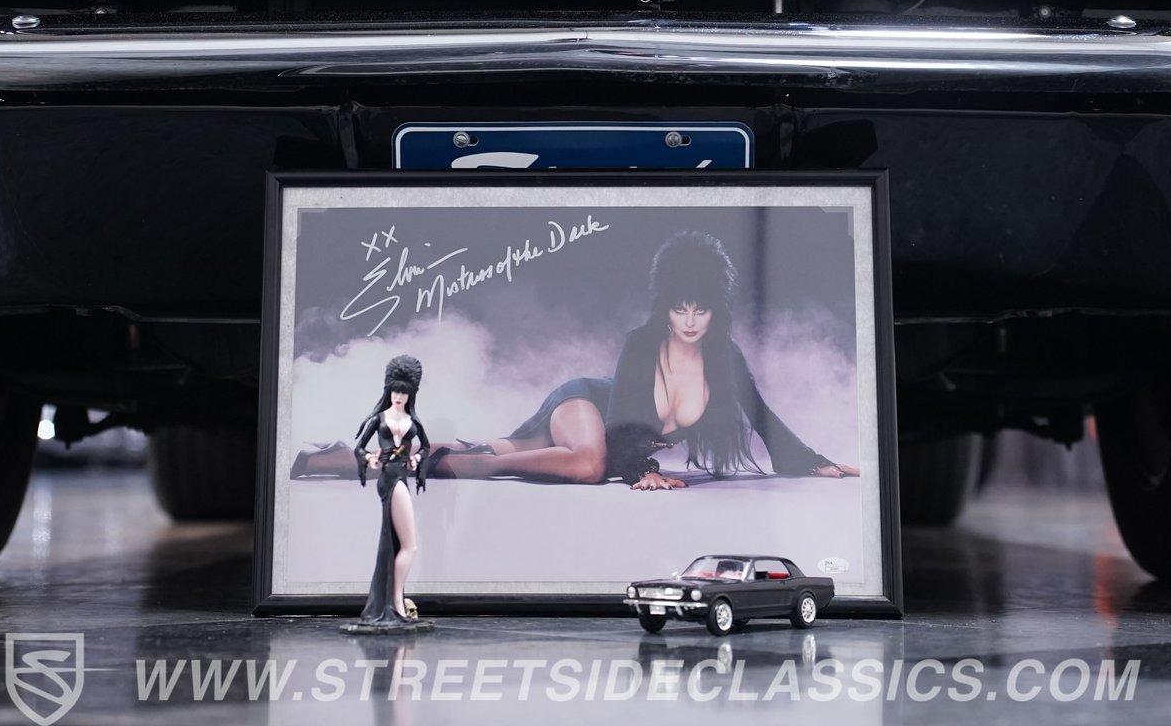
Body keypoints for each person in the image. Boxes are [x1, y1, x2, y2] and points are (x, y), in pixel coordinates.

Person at [293, 231, 858, 490]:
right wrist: (639, 471)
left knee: (500, 446)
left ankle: (342, 459)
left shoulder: (725, 360)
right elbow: (625, 416)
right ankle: (458, 469)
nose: (689, 321)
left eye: (701, 309)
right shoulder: (643, 342)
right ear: (665, 305)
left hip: (599, 435)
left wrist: (812, 462)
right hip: (585, 404)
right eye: (679, 308)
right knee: (587, 465)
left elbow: (763, 418)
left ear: (717, 310)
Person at [336, 354, 436, 633]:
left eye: (404, 392)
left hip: (400, 475)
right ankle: (396, 605)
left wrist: (416, 459)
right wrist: (369, 458)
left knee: (400, 544)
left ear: (411, 393)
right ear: (389, 390)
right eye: (395, 391)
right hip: (390, 479)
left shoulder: (413, 421)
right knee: (409, 546)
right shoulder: (379, 418)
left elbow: (426, 447)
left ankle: (393, 604)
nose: (399, 397)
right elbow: (359, 447)